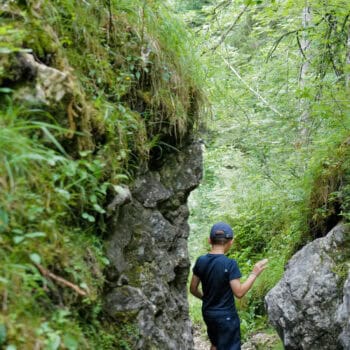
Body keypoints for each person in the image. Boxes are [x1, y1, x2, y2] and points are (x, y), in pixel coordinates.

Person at [189, 222, 268, 350]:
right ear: (231, 241)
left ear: (209, 240)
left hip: (208, 313)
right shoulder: (230, 264)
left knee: (215, 344)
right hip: (226, 316)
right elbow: (239, 292)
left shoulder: (201, 261)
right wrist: (254, 273)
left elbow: (193, 289)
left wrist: (205, 298)